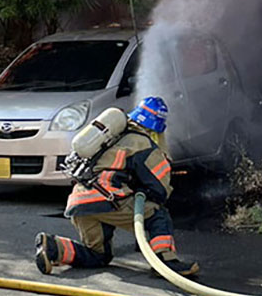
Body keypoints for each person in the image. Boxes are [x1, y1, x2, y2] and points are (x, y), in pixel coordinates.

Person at [34, 96, 199, 278]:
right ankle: (165, 262)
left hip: (80, 201)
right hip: (107, 199)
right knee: (157, 214)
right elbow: (159, 187)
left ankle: (52, 247)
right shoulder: (143, 143)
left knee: (97, 255)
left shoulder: (112, 137)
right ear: (157, 127)